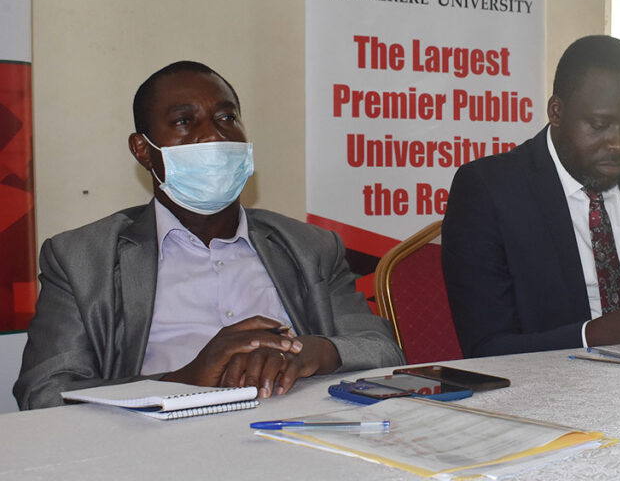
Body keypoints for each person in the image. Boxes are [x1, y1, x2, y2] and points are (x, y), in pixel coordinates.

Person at [15, 61, 404, 410]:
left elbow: (383, 350)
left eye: (226, 117)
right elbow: (45, 393)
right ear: (143, 151)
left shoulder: (309, 246)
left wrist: (312, 352)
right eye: (185, 122)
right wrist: (183, 380)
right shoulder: (80, 259)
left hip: (297, 434)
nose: (214, 136)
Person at [442, 35, 620, 358]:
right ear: (556, 112)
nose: (619, 144)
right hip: (549, 390)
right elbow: (487, 348)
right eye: (600, 125)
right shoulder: (490, 190)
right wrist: (616, 328)